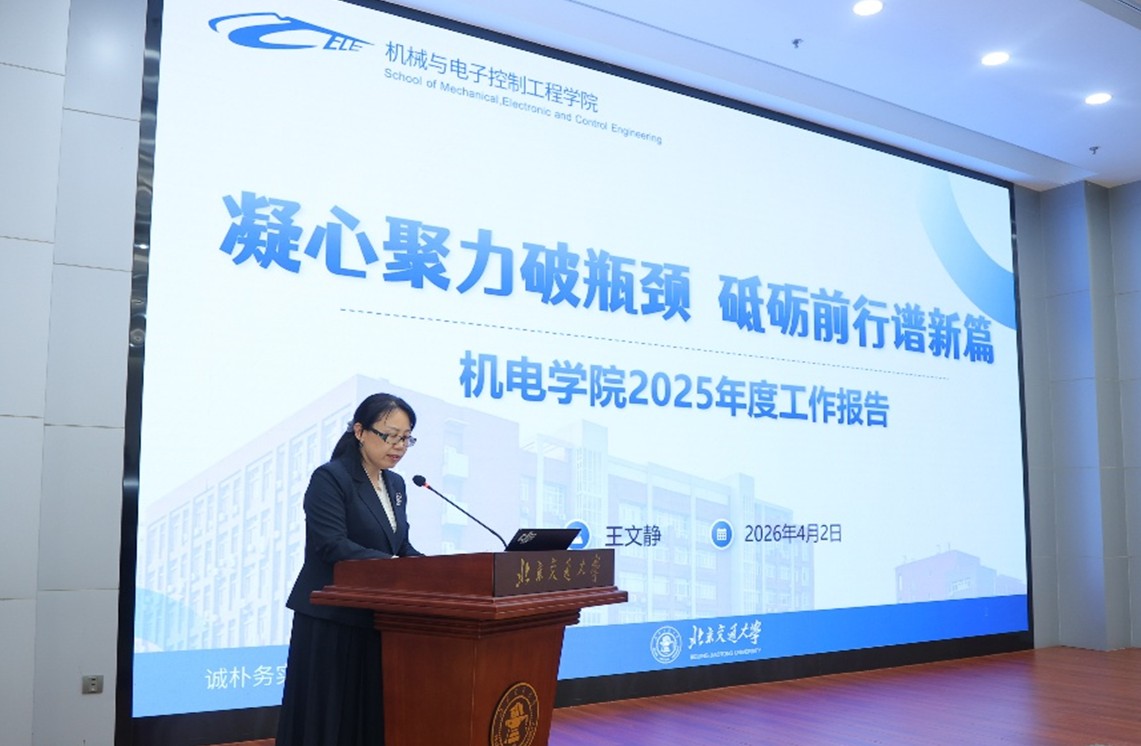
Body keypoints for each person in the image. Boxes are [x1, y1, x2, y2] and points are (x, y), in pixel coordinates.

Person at [276, 392, 423, 746]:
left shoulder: (396, 485)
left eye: (406, 438)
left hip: (375, 616)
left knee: (364, 715)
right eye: (390, 435)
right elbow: (332, 544)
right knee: (329, 717)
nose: (399, 446)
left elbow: (400, 546)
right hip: (331, 617)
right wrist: (392, 566)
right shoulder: (331, 478)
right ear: (359, 431)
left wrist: (442, 569)